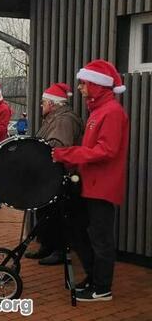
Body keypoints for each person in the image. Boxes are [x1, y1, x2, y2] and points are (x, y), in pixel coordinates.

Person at [52, 60, 129, 302]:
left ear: (97, 85)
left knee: (100, 237)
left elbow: (106, 150)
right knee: (82, 232)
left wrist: (66, 154)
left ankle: (102, 287)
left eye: (84, 83)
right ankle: (94, 278)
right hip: (91, 183)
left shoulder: (112, 113)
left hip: (102, 186)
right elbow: (91, 148)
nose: (81, 87)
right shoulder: (98, 111)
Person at [25, 83, 83, 266]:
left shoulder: (63, 120)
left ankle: (59, 250)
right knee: (45, 211)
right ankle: (48, 246)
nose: (41, 106)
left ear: (52, 103)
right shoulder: (55, 118)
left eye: (43, 102)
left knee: (57, 214)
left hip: (60, 175)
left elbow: (58, 146)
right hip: (50, 174)